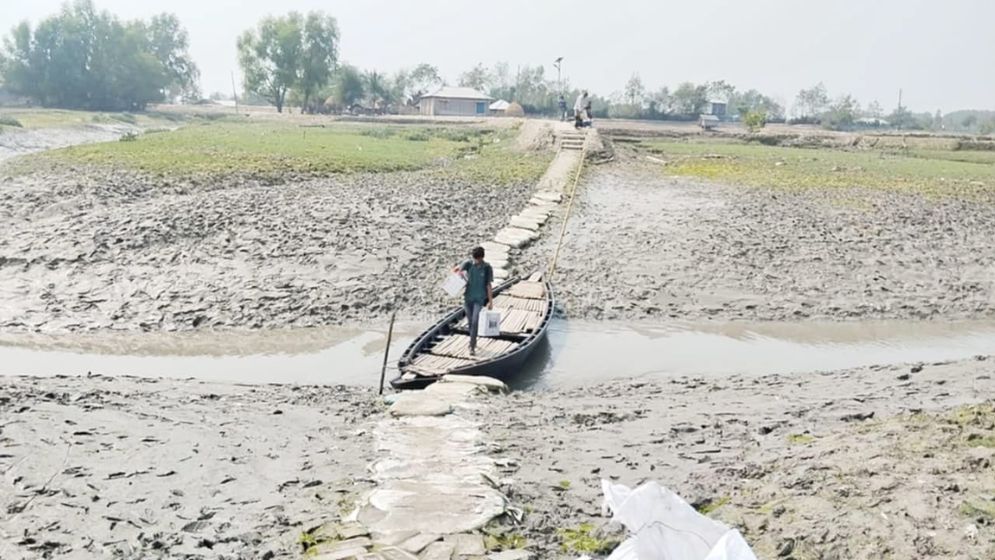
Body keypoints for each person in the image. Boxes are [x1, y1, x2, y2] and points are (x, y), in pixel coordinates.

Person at [452, 246, 493, 355]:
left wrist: (490, 301)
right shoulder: (468, 264)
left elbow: (488, 285)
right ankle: (472, 339)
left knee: (475, 321)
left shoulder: (487, 268)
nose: (476, 261)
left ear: (482, 258)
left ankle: (472, 346)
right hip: (468, 297)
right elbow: (457, 272)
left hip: (479, 299)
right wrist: (457, 272)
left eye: (478, 259)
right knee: (470, 322)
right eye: (475, 259)